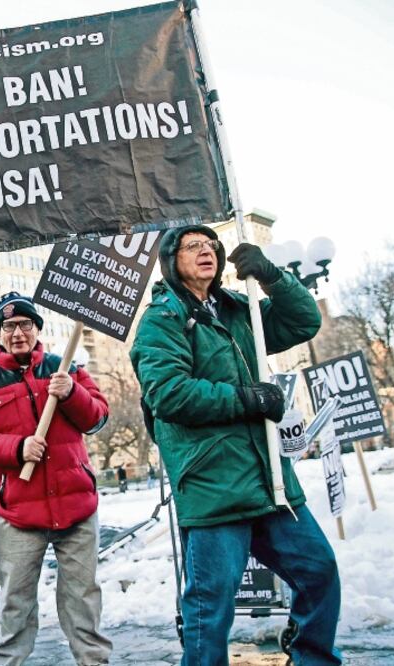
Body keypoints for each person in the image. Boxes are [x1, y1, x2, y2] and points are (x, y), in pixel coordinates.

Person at [129, 227, 339, 666]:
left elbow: (302, 321)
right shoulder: (161, 320)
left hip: (271, 481)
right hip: (213, 486)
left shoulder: (238, 308)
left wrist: (272, 277)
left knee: (318, 572)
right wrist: (245, 399)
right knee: (210, 609)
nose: (206, 251)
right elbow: (168, 394)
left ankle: (313, 658)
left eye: (211, 245)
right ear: (172, 260)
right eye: (193, 246)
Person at [0, 292, 113, 665]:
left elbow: (98, 417)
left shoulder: (66, 367)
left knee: (83, 603)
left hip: (76, 509)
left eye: (25, 324)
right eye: (8, 326)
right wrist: (16, 448)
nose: (18, 332)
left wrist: (72, 393)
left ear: (38, 329)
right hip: (19, 517)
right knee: (15, 608)